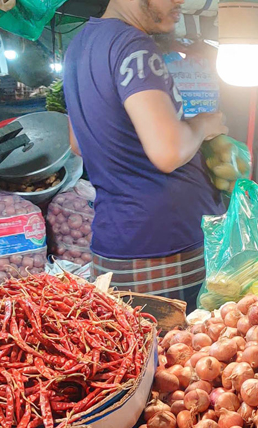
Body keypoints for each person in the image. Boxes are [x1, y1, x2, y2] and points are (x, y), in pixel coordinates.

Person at [63, 0, 229, 309]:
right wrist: (202, 123)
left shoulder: (78, 46)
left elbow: (77, 143)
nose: (181, 0)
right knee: (178, 354)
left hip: (119, 243)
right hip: (164, 248)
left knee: (145, 353)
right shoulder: (133, 45)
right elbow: (168, 152)